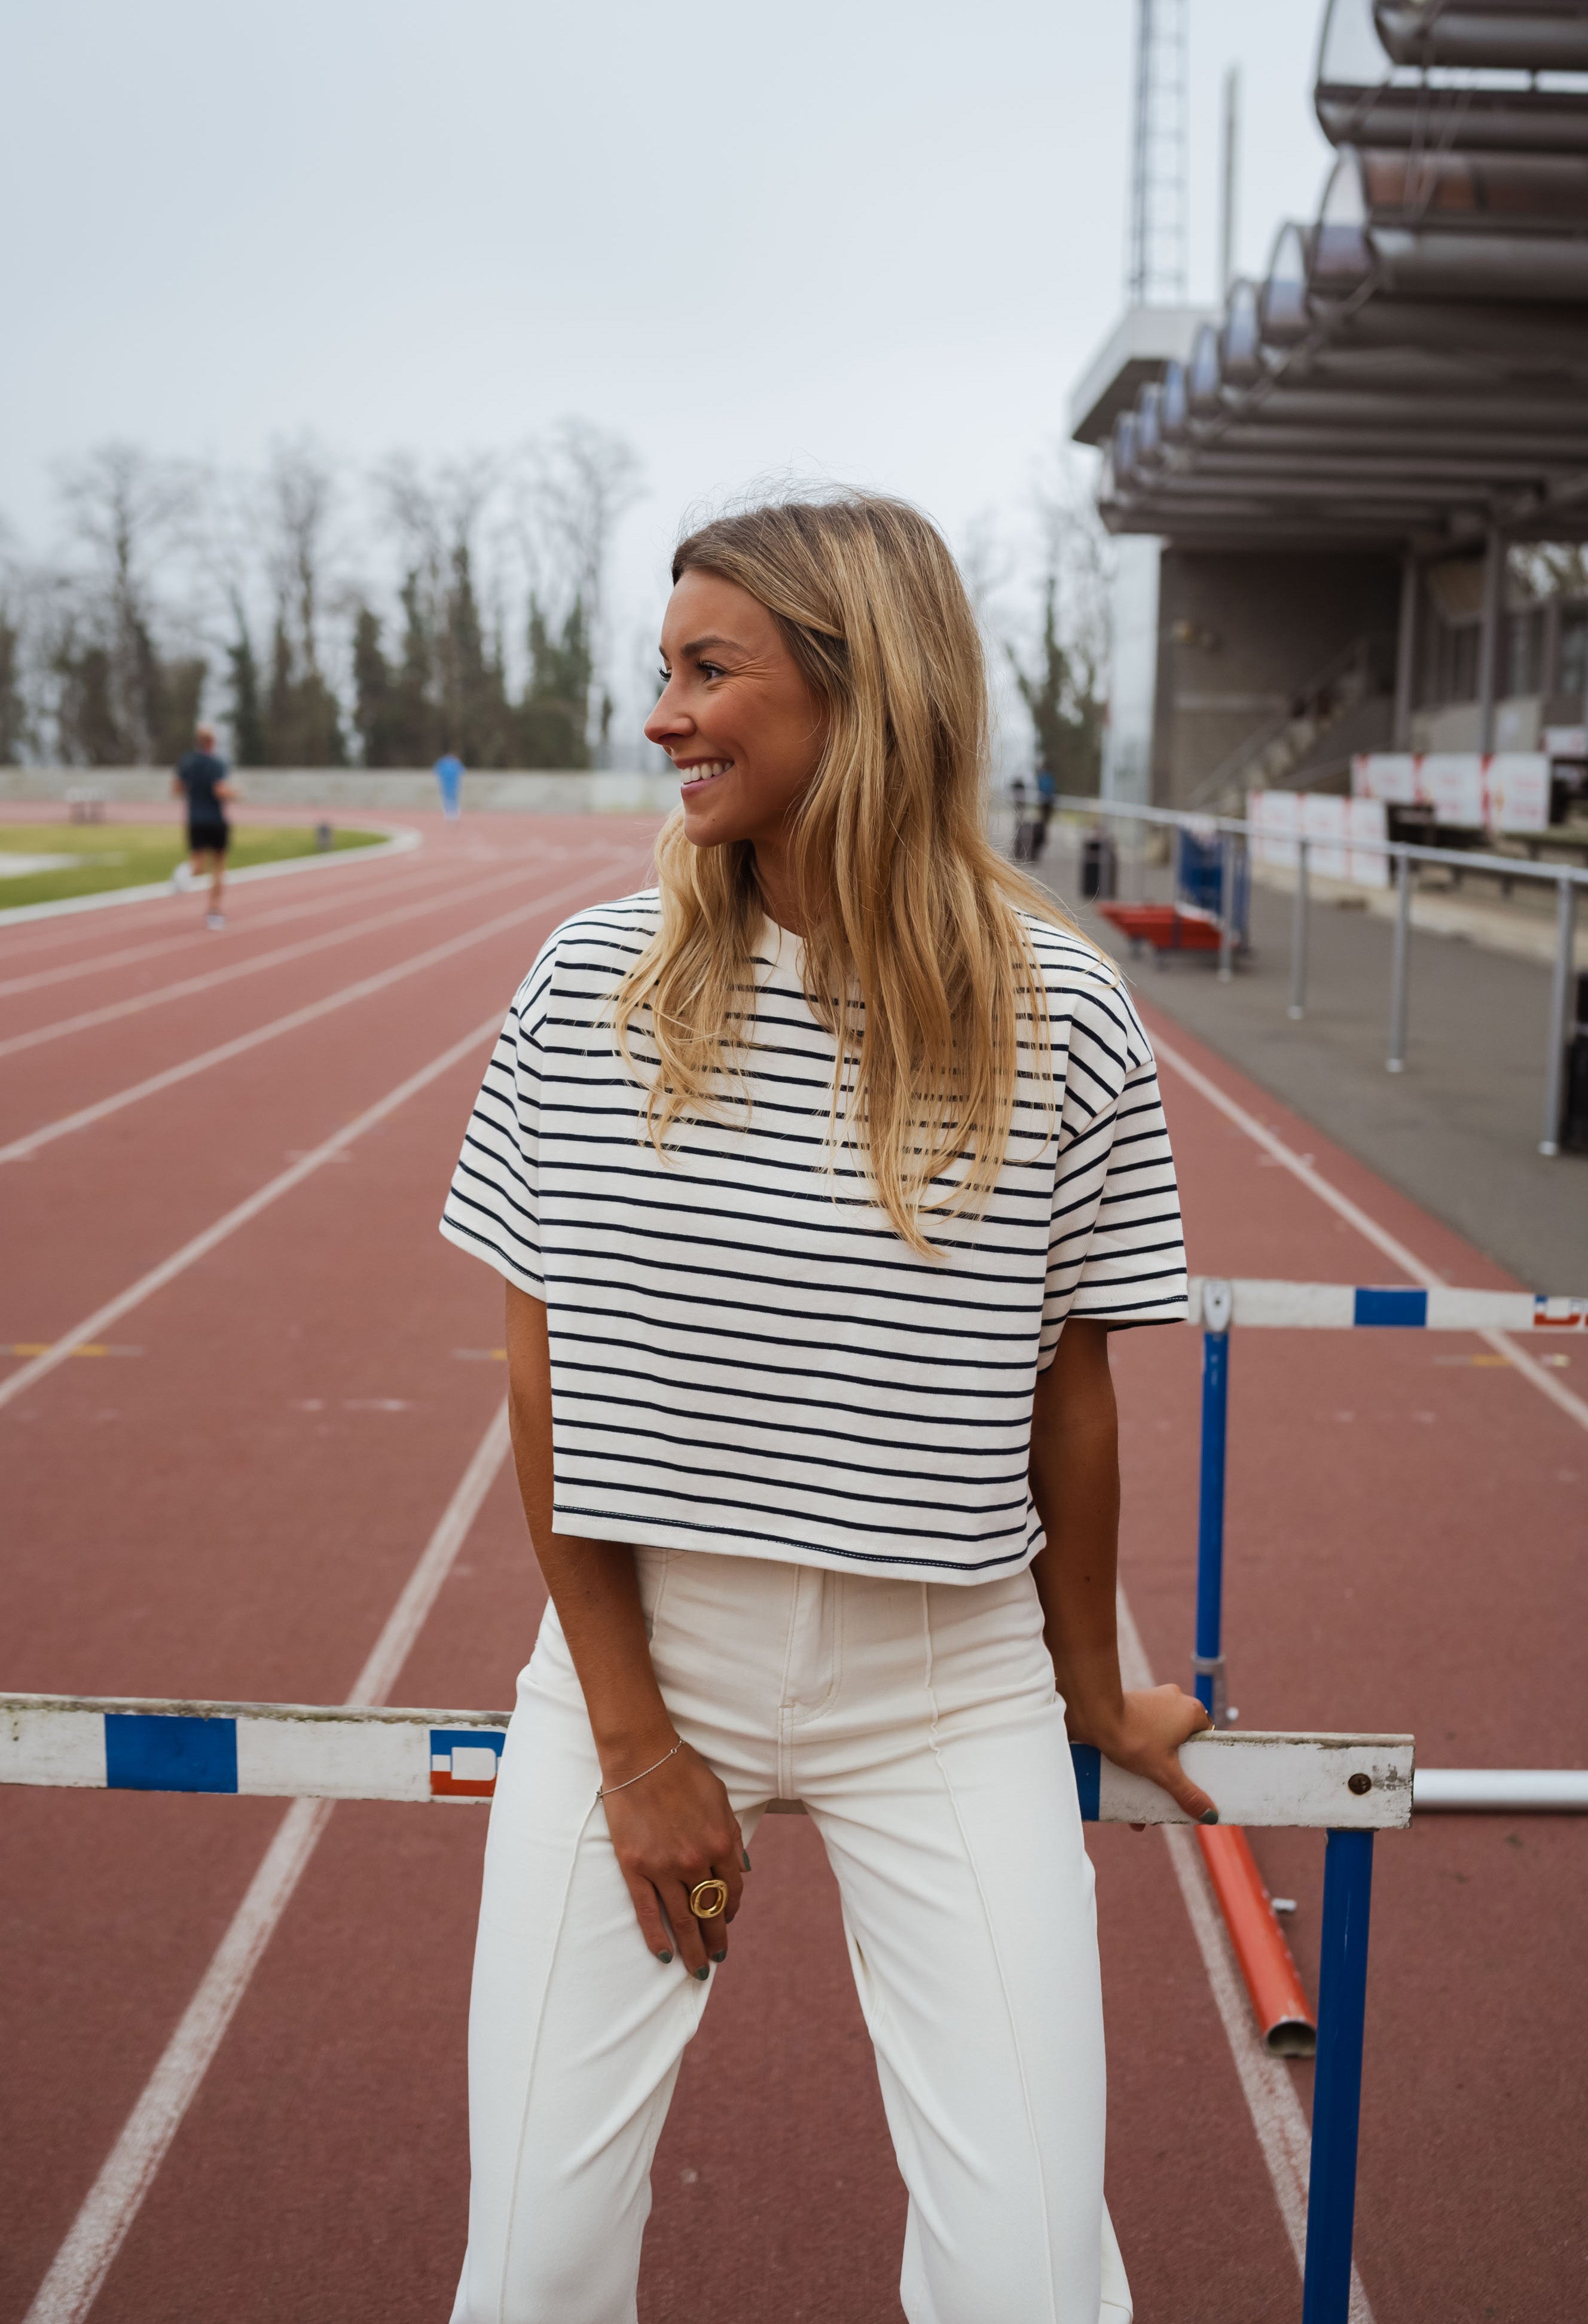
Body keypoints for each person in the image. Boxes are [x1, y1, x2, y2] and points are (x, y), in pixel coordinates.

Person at [439, 493, 1214, 2324]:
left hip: (945, 1687)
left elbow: (1071, 1388)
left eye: (709, 669)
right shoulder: (588, 989)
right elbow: (542, 1372)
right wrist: (633, 1741)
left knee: (1030, 2279)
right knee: (534, 2264)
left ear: (863, 692)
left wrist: (1094, 1684)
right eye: (664, 670)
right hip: (645, 1669)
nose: (662, 715)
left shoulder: (1065, 1013)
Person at [170, 724, 233, 929]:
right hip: (215, 819)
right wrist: (235, 794)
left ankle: (184, 872)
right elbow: (221, 791)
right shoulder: (217, 764)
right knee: (219, 866)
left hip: (195, 819)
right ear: (212, 742)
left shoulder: (187, 763)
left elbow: (177, 789)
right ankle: (214, 913)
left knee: (197, 863)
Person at [435, 749, 465, 820]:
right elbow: (437, 771)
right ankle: (448, 814)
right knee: (446, 799)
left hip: (454, 784)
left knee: (454, 799)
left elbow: (462, 771)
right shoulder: (443, 763)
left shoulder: (456, 763)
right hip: (445, 784)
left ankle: (455, 814)